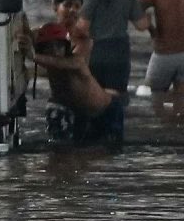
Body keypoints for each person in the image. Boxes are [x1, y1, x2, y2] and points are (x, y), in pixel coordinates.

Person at [18, 8, 124, 145]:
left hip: (106, 112)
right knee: (70, 152)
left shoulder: (76, 61)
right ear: (42, 49)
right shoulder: (47, 59)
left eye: (59, 46)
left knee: (105, 154)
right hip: (79, 112)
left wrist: (34, 56)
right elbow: (30, 34)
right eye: (49, 47)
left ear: (66, 48)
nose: (55, 51)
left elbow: (58, 63)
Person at [76, 0, 149, 113]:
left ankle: (97, 130)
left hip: (97, 50)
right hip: (119, 51)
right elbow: (142, 26)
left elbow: (82, 27)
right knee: (116, 93)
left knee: (95, 93)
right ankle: (114, 128)